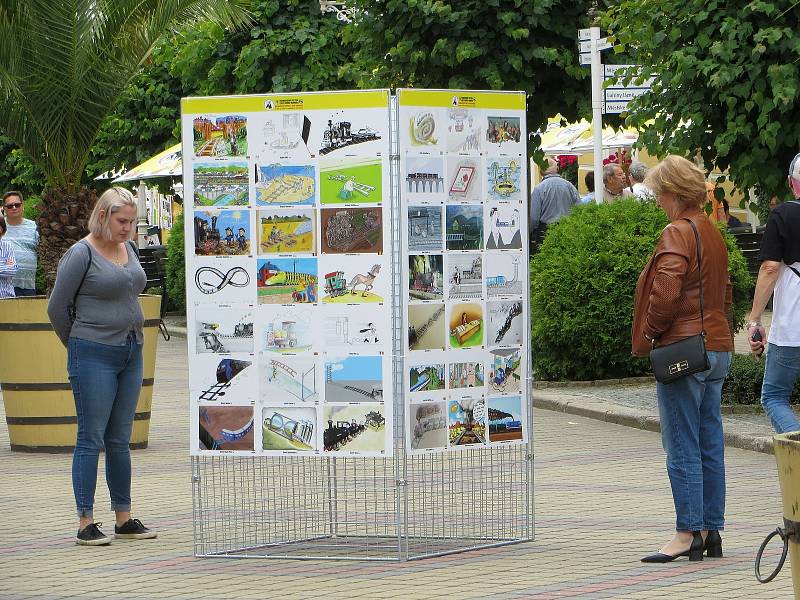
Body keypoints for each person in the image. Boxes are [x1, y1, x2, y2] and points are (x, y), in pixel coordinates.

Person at [632, 155, 733, 563]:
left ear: (673, 193)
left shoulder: (676, 232)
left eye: (660, 194)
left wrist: (654, 332)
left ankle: (686, 532)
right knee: (710, 440)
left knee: (681, 443)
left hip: (683, 349)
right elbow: (725, 293)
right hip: (717, 346)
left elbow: (667, 291)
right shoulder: (711, 231)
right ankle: (711, 530)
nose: (658, 201)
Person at [47, 187, 157, 546]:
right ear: (102, 216)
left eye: (132, 221)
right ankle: (85, 521)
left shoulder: (131, 249)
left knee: (119, 439)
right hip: (93, 352)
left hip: (131, 351)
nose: (128, 228)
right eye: (122, 221)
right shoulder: (81, 253)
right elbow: (56, 308)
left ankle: (123, 518)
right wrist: (78, 344)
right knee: (90, 438)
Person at [746, 152, 800, 433]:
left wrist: (755, 320)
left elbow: (769, 269)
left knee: (775, 397)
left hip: (793, 327)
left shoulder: (784, 214)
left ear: (793, 183)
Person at [529, 157, 579, 252]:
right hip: (567, 230)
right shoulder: (570, 186)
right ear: (557, 169)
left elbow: (534, 218)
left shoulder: (539, 189)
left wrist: (529, 232)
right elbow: (579, 209)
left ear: (541, 172)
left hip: (546, 232)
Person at [2, 191, 39, 296]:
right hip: (3, 287)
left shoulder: (34, 227)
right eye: (9, 206)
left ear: (22, 206)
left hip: (27, 287)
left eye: (17, 205)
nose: (14, 207)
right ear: (4, 208)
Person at [0, 215, 18, 297]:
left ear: (2, 229)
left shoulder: (8, 246)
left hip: (7, 296)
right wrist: (4, 264)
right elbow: (8, 269)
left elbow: (13, 270)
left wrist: (9, 267)